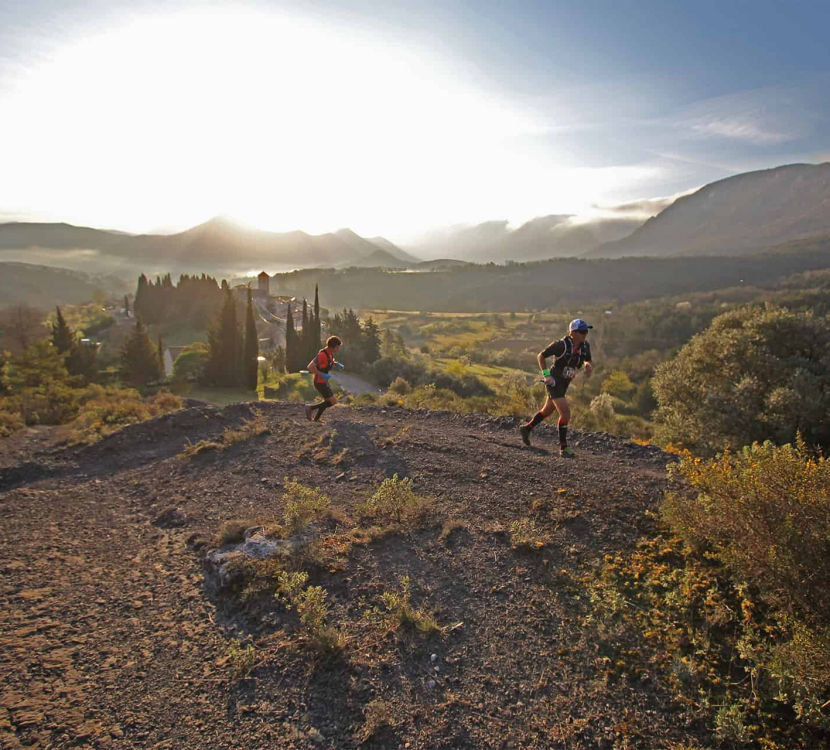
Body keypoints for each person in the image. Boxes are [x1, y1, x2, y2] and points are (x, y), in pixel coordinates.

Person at [519, 319, 594, 457]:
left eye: (586, 331)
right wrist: (546, 375)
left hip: (565, 382)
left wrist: (587, 364)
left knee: (547, 410)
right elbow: (541, 356)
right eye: (582, 331)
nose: (585, 334)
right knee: (565, 413)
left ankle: (527, 428)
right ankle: (563, 448)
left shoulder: (585, 346)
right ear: (573, 332)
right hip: (554, 381)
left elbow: (587, 358)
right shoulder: (561, 345)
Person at [304, 335, 345, 422]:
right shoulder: (322, 354)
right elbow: (310, 366)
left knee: (327, 401)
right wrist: (321, 374)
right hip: (319, 382)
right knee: (333, 402)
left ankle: (316, 419)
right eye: (337, 347)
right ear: (331, 346)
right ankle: (310, 408)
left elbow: (329, 361)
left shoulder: (329, 353)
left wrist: (336, 364)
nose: (338, 349)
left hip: (323, 381)